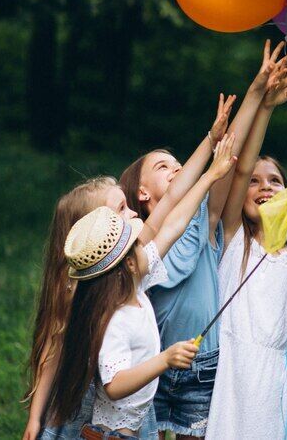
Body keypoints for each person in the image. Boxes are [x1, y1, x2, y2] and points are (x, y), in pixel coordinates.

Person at [118, 41, 287, 439]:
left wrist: (256, 94)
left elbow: (234, 163)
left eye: (180, 164)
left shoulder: (205, 220)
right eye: (164, 166)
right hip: (152, 362)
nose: (178, 169)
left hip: (203, 365)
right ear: (141, 194)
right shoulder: (136, 243)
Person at [46, 133, 238, 439]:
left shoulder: (135, 281)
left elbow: (174, 222)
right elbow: (114, 383)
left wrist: (213, 174)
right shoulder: (112, 317)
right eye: (126, 214)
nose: (136, 215)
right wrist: (163, 360)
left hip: (137, 425)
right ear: (127, 261)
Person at [205, 74, 287, 440]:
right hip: (233, 373)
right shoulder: (232, 238)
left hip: (276, 376)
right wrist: (265, 107)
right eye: (255, 182)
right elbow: (241, 166)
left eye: (275, 181)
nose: (264, 187)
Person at [23, 176, 141, 440]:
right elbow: (53, 351)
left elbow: (174, 217)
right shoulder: (73, 290)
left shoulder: (135, 265)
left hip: (126, 405)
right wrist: (34, 416)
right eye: (121, 208)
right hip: (80, 404)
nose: (133, 213)